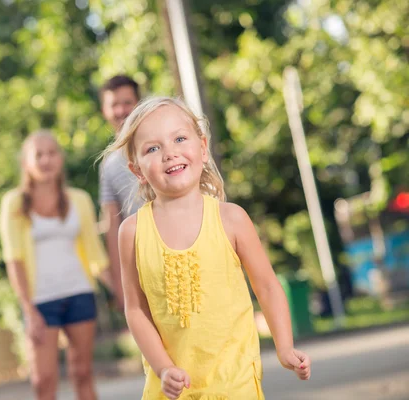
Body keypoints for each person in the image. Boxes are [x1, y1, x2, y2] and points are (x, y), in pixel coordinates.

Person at [104, 97, 311, 399]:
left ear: (202, 148)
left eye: (179, 138)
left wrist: (285, 346)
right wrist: (162, 368)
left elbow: (267, 286)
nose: (169, 153)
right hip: (171, 388)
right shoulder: (132, 232)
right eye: (153, 148)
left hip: (234, 382)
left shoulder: (231, 219)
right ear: (137, 170)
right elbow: (136, 310)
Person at [0, 130, 109, 400]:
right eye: (39, 155)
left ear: (60, 159)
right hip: (40, 301)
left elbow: (96, 255)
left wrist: (122, 291)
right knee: (43, 380)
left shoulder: (79, 200)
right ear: (26, 162)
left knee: (82, 373)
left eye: (52, 153)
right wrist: (29, 309)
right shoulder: (13, 203)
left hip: (79, 294)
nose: (46, 159)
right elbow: (14, 260)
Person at [98, 75, 144, 309]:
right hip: (141, 262)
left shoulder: (160, 142)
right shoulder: (109, 164)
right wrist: (119, 284)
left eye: (127, 102)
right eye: (113, 104)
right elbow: (111, 226)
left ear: (138, 103)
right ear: (104, 110)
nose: (121, 110)